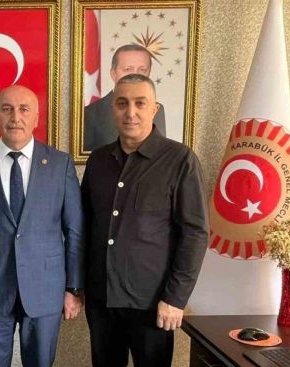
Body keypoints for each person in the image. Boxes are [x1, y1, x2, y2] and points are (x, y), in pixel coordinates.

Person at [81, 73, 208, 367]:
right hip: (102, 300)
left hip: (153, 303)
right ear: (112, 108)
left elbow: (195, 234)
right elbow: (85, 226)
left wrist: (175, 298)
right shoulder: (98, 161)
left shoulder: (180, 160)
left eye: (140, 103)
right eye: (122, 103)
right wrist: (77, 285)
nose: (131, 112)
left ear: (155, 109)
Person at [0, 85, 84, 367]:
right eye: (7, 109)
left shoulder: (60, 164)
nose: (16, 117)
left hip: (46, 290)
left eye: (24, 109)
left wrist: (73, 288)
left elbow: (74, 231)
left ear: (36, 118)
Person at [84, 44, 166, 151]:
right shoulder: (91, 113)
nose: (135, 75)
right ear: (113, 73)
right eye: (128, 69)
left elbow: (160, 151)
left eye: (142, 70)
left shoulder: (157, 109)